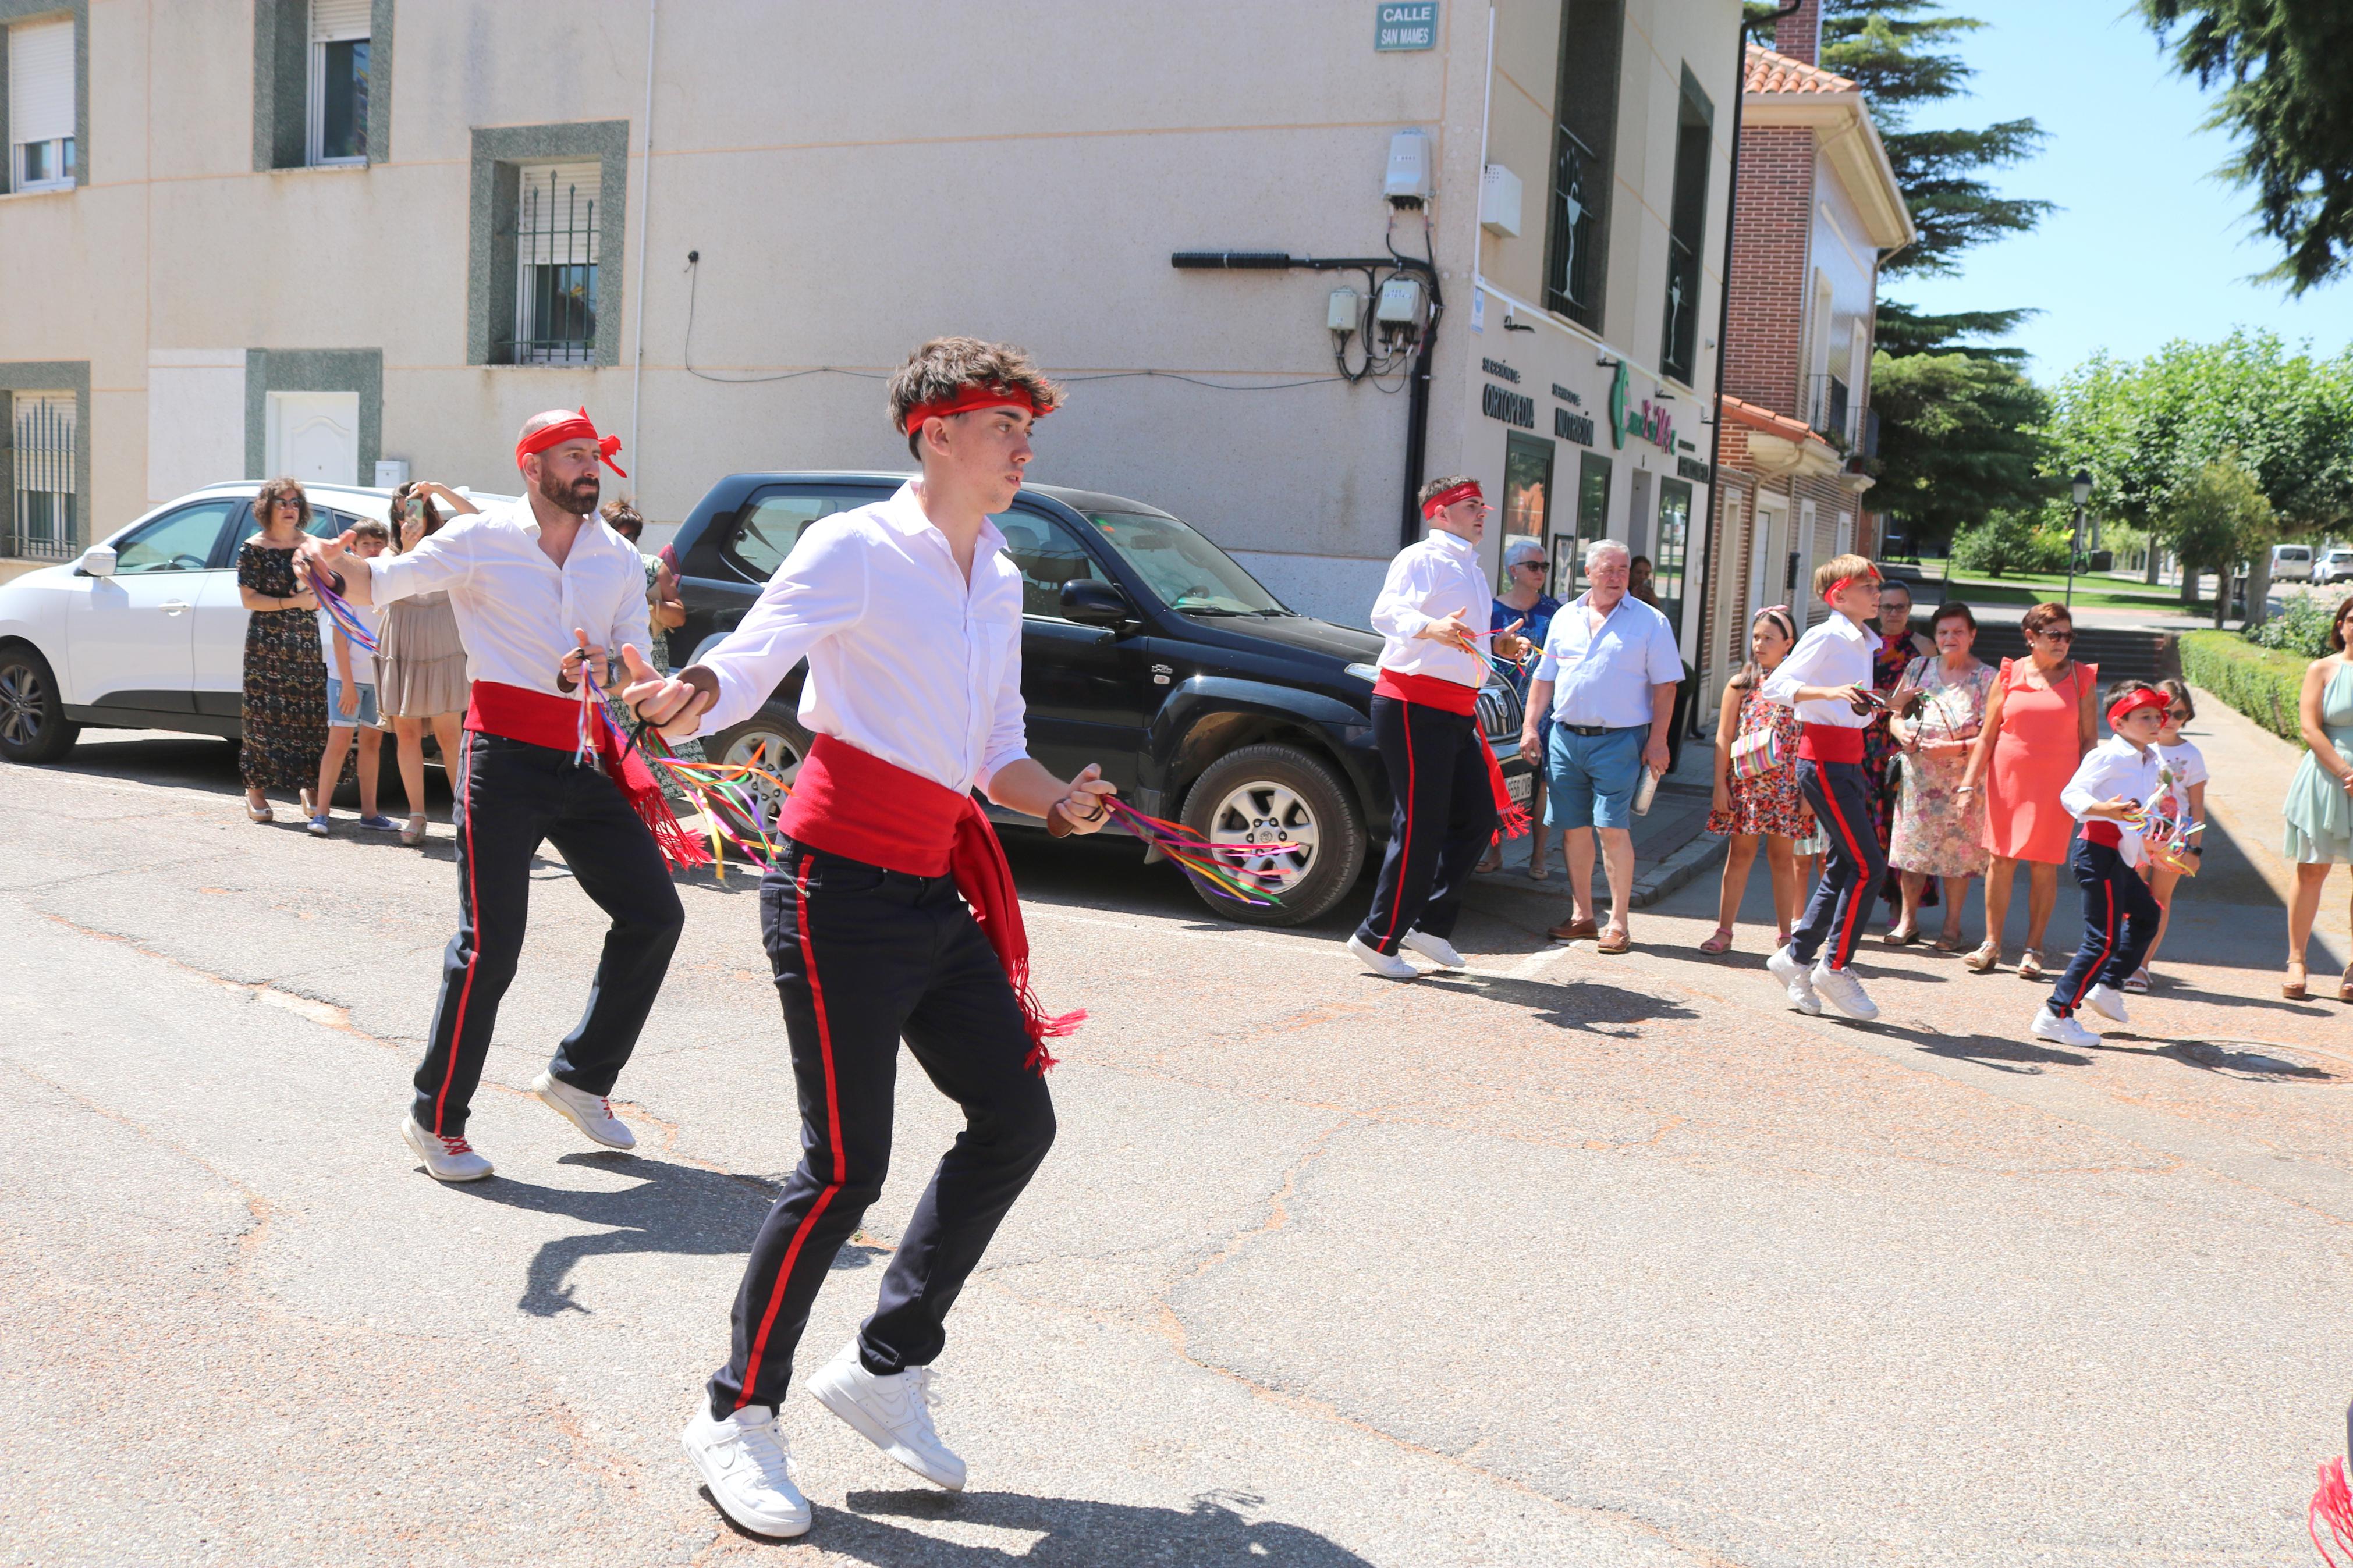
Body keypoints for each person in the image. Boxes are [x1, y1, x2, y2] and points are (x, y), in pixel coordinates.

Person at [620, 337, 1118, 1539]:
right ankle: (734, 1414)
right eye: (1004, 424)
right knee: (843, 1167)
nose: (1023, 447)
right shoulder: (852, 546)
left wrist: (1055, 798)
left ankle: (885, 1366)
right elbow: (750, 658)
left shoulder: (995, 569)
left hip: (931, 887)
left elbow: (992, 745)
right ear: (933, 432)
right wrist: (690, 690)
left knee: (1016, 1116)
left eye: (1025, 428)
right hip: (833, 890)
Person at [295, 408, 688, 1185]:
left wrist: (611, 674)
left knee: (654, 913)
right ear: (531, 466)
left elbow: (625, 660)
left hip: (580, 756)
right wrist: (329, 563)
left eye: (593, 456)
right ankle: (434, 1118)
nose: (589, 468)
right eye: (572, 456)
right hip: (499, 756)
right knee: (491, 944)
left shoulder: (614, 556)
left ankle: (579, 1075)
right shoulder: (482, 538)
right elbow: (386, 582)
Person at [1348, 475, 1531, 979]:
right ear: (1439, 513)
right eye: (1471, 506)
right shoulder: (1420, 557)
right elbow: (1384, 612)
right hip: (1412, 702)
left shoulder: (1469, 568)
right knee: (1422, 823)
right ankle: (1376, 937)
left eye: (1481, 506)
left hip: (1452, 707)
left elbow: (1465, 643)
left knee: (1476, 816)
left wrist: (1503, 650)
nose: (1481, 513)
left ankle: (1428, 926)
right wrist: (1428, 627)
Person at [1518, 539, 1680, 954]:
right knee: (1572, 831)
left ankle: (1619, 923)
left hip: (1621, 740)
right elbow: (1544, 677)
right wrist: (1529, 726)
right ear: (1587, 573)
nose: (1616, 577)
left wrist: (1659, 742)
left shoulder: (1650, 622)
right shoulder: (1565, 617)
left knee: (1611, 828)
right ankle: (1583, 916)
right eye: (1607, 569)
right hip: (1565, 738)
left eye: (1623, 570)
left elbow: (1665, 688)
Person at [1760, 554, 1889, 1021]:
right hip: (1825, 762)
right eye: (1868, 585)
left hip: (1845, 759)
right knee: (1867, 866)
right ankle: (1833, 965)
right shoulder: (1828, 634)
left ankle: (1795, 958)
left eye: (1877, 585)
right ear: (1839, 595)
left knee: (1844, 863)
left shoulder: (1858, 639)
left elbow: (1856, 709)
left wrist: (1887, 704)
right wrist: (1830, 694)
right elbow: (1776, 686)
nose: (1877, 593)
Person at [1955, 603, 2097, 979]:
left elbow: (2088, 742)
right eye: (2054, 635)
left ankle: (2033, 949)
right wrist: (1968, 784)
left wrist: (2091, 792)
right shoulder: (2009, 673)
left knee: (2043, 864)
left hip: (2057, 786)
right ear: (2031, 637)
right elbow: (1986, 736)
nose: (2062, 642)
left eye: (2068, 635)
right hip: (2007, 782)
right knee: (1999, 859)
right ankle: (1990, 944)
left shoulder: (2082, 677)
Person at [2029, 681, 2172, 1047]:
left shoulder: (2151, 758)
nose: (2155, 722)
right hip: (2097, 852)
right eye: (2145, 716)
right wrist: (2104, 809)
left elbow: (2142, 810)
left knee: (2147, 915)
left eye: (2158, 716)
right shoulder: (2107, 755)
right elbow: (2071, 794)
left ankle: (2107, 985)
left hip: (2121, 855)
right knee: (2102, 939)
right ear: (2119, 723)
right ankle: (2056, 1013)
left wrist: (2154, 838)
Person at [1701, 605, 1813, 954]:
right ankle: (1724, 930)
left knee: (1783, 859)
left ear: (1788, 643)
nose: (1760, 644)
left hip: (1787, 789)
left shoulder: (1802, 689)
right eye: (1756, 637)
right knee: (1740, 855)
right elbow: (1723, 736)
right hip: (1746, 787)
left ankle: (1785, 934)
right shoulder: (1741, 685)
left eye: (1769, 638)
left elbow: (1812, 739)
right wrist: (1720, 784)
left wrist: (1809, 793)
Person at [1885, 600, 1992, 948]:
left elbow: (1994, 735)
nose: (1951, 638)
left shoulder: (1987, 678)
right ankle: (1907, 922)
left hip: (1962, 780)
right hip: (1919, 778)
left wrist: (1954, 750)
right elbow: (1895, 712)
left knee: (1957, 856)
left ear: (1972, 635)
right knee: (1913, 852)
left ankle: (1952, 928)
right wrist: (1900, 732)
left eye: (1958, 631)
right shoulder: (1918, 668)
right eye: (1944, 632)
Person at [375, 481, 473, 846]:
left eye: (416, 505)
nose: (410, 514)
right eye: (403, 509)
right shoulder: (390, 551)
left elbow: (477, 519)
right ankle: (417, 815)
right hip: (402, 638)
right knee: (408, 733)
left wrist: (441, 490)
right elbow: (390, 583)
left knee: (451, 734)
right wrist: (409, 547)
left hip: (441, 637)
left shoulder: (449, 539)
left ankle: (464, 815)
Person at [600, 498, 708, 810]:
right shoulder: (588, 563)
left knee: (647, 750)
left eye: (631, 535)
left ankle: (646, 822)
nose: (626, 541)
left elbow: (678, 615)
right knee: (612, 754)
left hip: (644, 669)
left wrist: (647, 606)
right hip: (605, 673)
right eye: (618, 533)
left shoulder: (648, 566)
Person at [236, 478, 328, 823]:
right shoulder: (253, 547)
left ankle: (309, 786)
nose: (290, 508)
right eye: (282, 502)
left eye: (294, 502)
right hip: (266, 644)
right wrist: (291, 602)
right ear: (267, 507)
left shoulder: (311, 545)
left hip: (304, 641)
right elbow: (249, 599)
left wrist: (318, 598)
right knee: (263, 718)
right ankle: (256, 791)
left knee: (308, 714)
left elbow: (330, 586)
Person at [2281, 593, 2353, 1001]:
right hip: (2326, 778)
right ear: (2339, 625)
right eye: (2350, 618)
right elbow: (2309, 728)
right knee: (2311, 870)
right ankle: (2296, 959)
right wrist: (2345, 772)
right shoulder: (2321, 669)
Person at [308, 518, 399, 837]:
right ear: (353, 548)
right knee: (339, 742)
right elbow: (339, 641)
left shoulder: (389, 585)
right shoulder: (344, 583)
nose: (373, 550)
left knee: (372, 745)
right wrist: (347, 684)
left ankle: (370, 813)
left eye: (378, 543)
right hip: (345, 681)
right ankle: (321, 813)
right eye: (366, 544)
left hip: (378, 680)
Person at [1483, 536, 1560, 877]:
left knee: (1542, 781)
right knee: (1497, 776)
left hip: (1543, 709)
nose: (1540, 572)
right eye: (1533, 566)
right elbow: (1480, 658)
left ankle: (1538, 857)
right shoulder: (1493, 610)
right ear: (1514, 570)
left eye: (1543, 566)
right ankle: (1494, 852)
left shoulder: (1554, 611)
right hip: (1502, 706)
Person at [2128, 678, 2207, 993]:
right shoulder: (2137, 746)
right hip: (2136, 831)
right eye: (2165, 712)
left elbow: (2198, 807)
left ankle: (2141, 965)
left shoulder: (2192, 755)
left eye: (2180, 714)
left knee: (2159, 901)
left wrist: (2195, 849)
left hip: (2175, 836)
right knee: (2128, 898)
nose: (2171, 720)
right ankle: (2121, 959)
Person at [1866, 579, 1936, 921]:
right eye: (1887, 607)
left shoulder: (1924, 647)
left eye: (1901, 607)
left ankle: (1901, 906)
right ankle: (1857, 902)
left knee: (1902, 826)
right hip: (1864, 745)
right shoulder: (1862, 642)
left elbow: (1937, 697)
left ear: (1910, 610)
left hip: (1905, 744)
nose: (1894, 614)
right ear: (1876, 606)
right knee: (1866, 824)